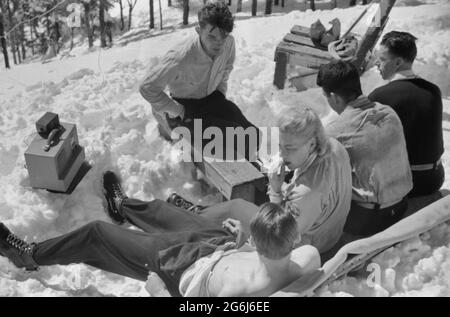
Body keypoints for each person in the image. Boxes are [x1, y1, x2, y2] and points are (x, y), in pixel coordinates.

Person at [0, 172, 320, 297]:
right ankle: (123, 205)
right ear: (293, 240)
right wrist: (240, 243)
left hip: (181, 268)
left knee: (98, 234)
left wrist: (159, 292)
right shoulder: (307, 256)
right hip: (220, 248)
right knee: (167, 213)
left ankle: (27, 254)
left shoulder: (239, 295)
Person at [177, 107, 353, 255]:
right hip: (329, 231)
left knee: (235, 207)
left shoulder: (306, 194)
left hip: (304, 247)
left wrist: (276, 191)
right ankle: (202, 214)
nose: (283, 154)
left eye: (290, 148)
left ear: (312, 144)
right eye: (280, 146)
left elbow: (279, 234)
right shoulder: (333, 145)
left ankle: (191, 218)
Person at [139, 1, 259, 161]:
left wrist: (220, 93)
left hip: (211, 100)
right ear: (198, 30)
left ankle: (258, 167)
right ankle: (249, 176)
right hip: (184, 110)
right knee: (235, 141)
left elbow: (226, 67)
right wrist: (177, 110)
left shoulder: (228, 43)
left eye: (223, 35)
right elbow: (147, 87)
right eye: (212, 36)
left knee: (254, 136)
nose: (219, 42)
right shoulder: (180, 57)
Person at [318, 60, 413, 237]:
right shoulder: (389, 111)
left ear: (335, 97)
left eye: (326, 97)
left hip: (368, 219)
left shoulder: (335, 131)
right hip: (401, 205)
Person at [369, 31, 444, 197]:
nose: (376, 64)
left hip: (404, 183)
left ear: (398, 62)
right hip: (434, 178)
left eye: (381, 59)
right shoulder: (433, 90)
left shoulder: (380, 96)